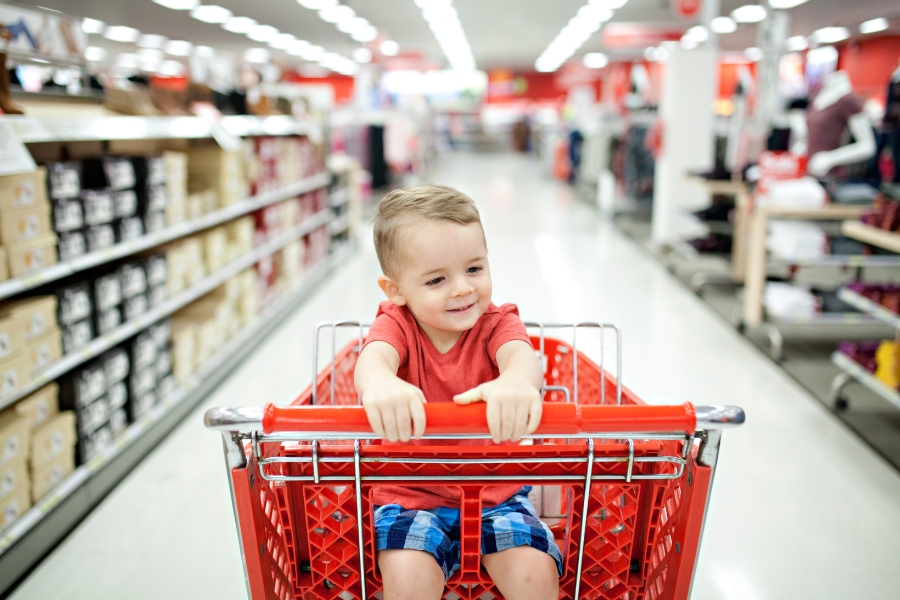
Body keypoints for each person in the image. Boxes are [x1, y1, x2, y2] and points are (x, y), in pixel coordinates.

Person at [354, 184, 562, 600]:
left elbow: (522, 359)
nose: (463, 289)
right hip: (409, 494)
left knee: (536, 575)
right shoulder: (396, 324)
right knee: (409, 577)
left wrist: (516, 382)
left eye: (474, 269)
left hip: (495, 493)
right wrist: (380, 383)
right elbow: (372, 361)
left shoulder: (496, 322)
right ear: (395, 290)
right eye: (436, 279)